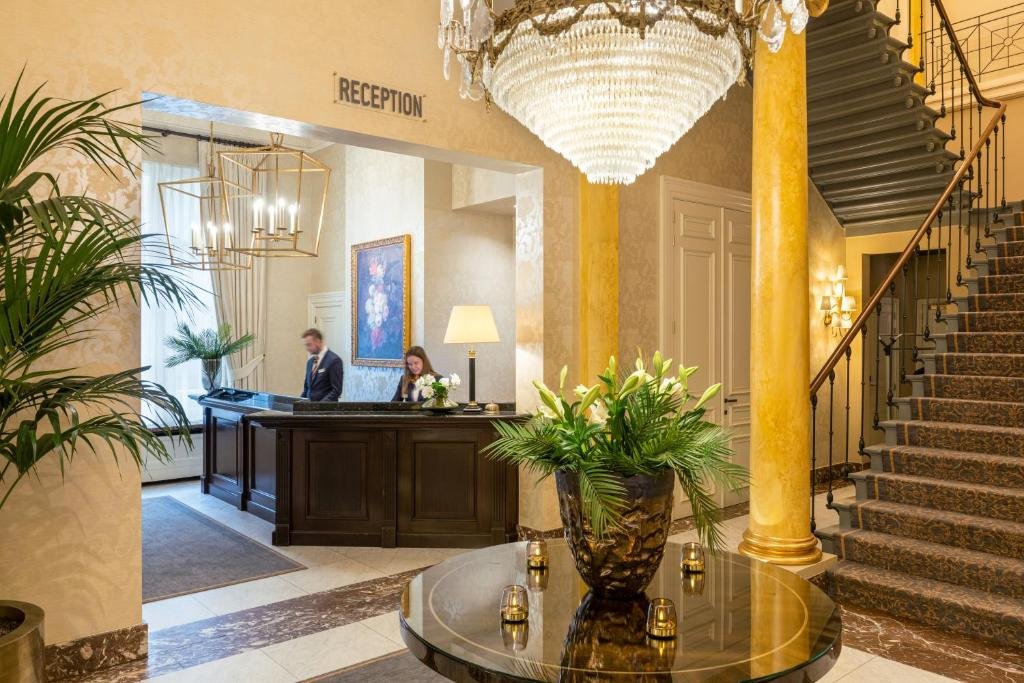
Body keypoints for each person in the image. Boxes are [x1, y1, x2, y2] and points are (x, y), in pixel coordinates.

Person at [299, 328, 344, 401]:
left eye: (308, 345)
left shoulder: (334, 360)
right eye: (305, 345)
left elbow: (336, 390)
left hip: (326, 407)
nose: (306, 348)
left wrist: (319, 406)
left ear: (318, 341)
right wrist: (298, 403)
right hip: (309, 407)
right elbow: (306, 388)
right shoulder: (310, 362)